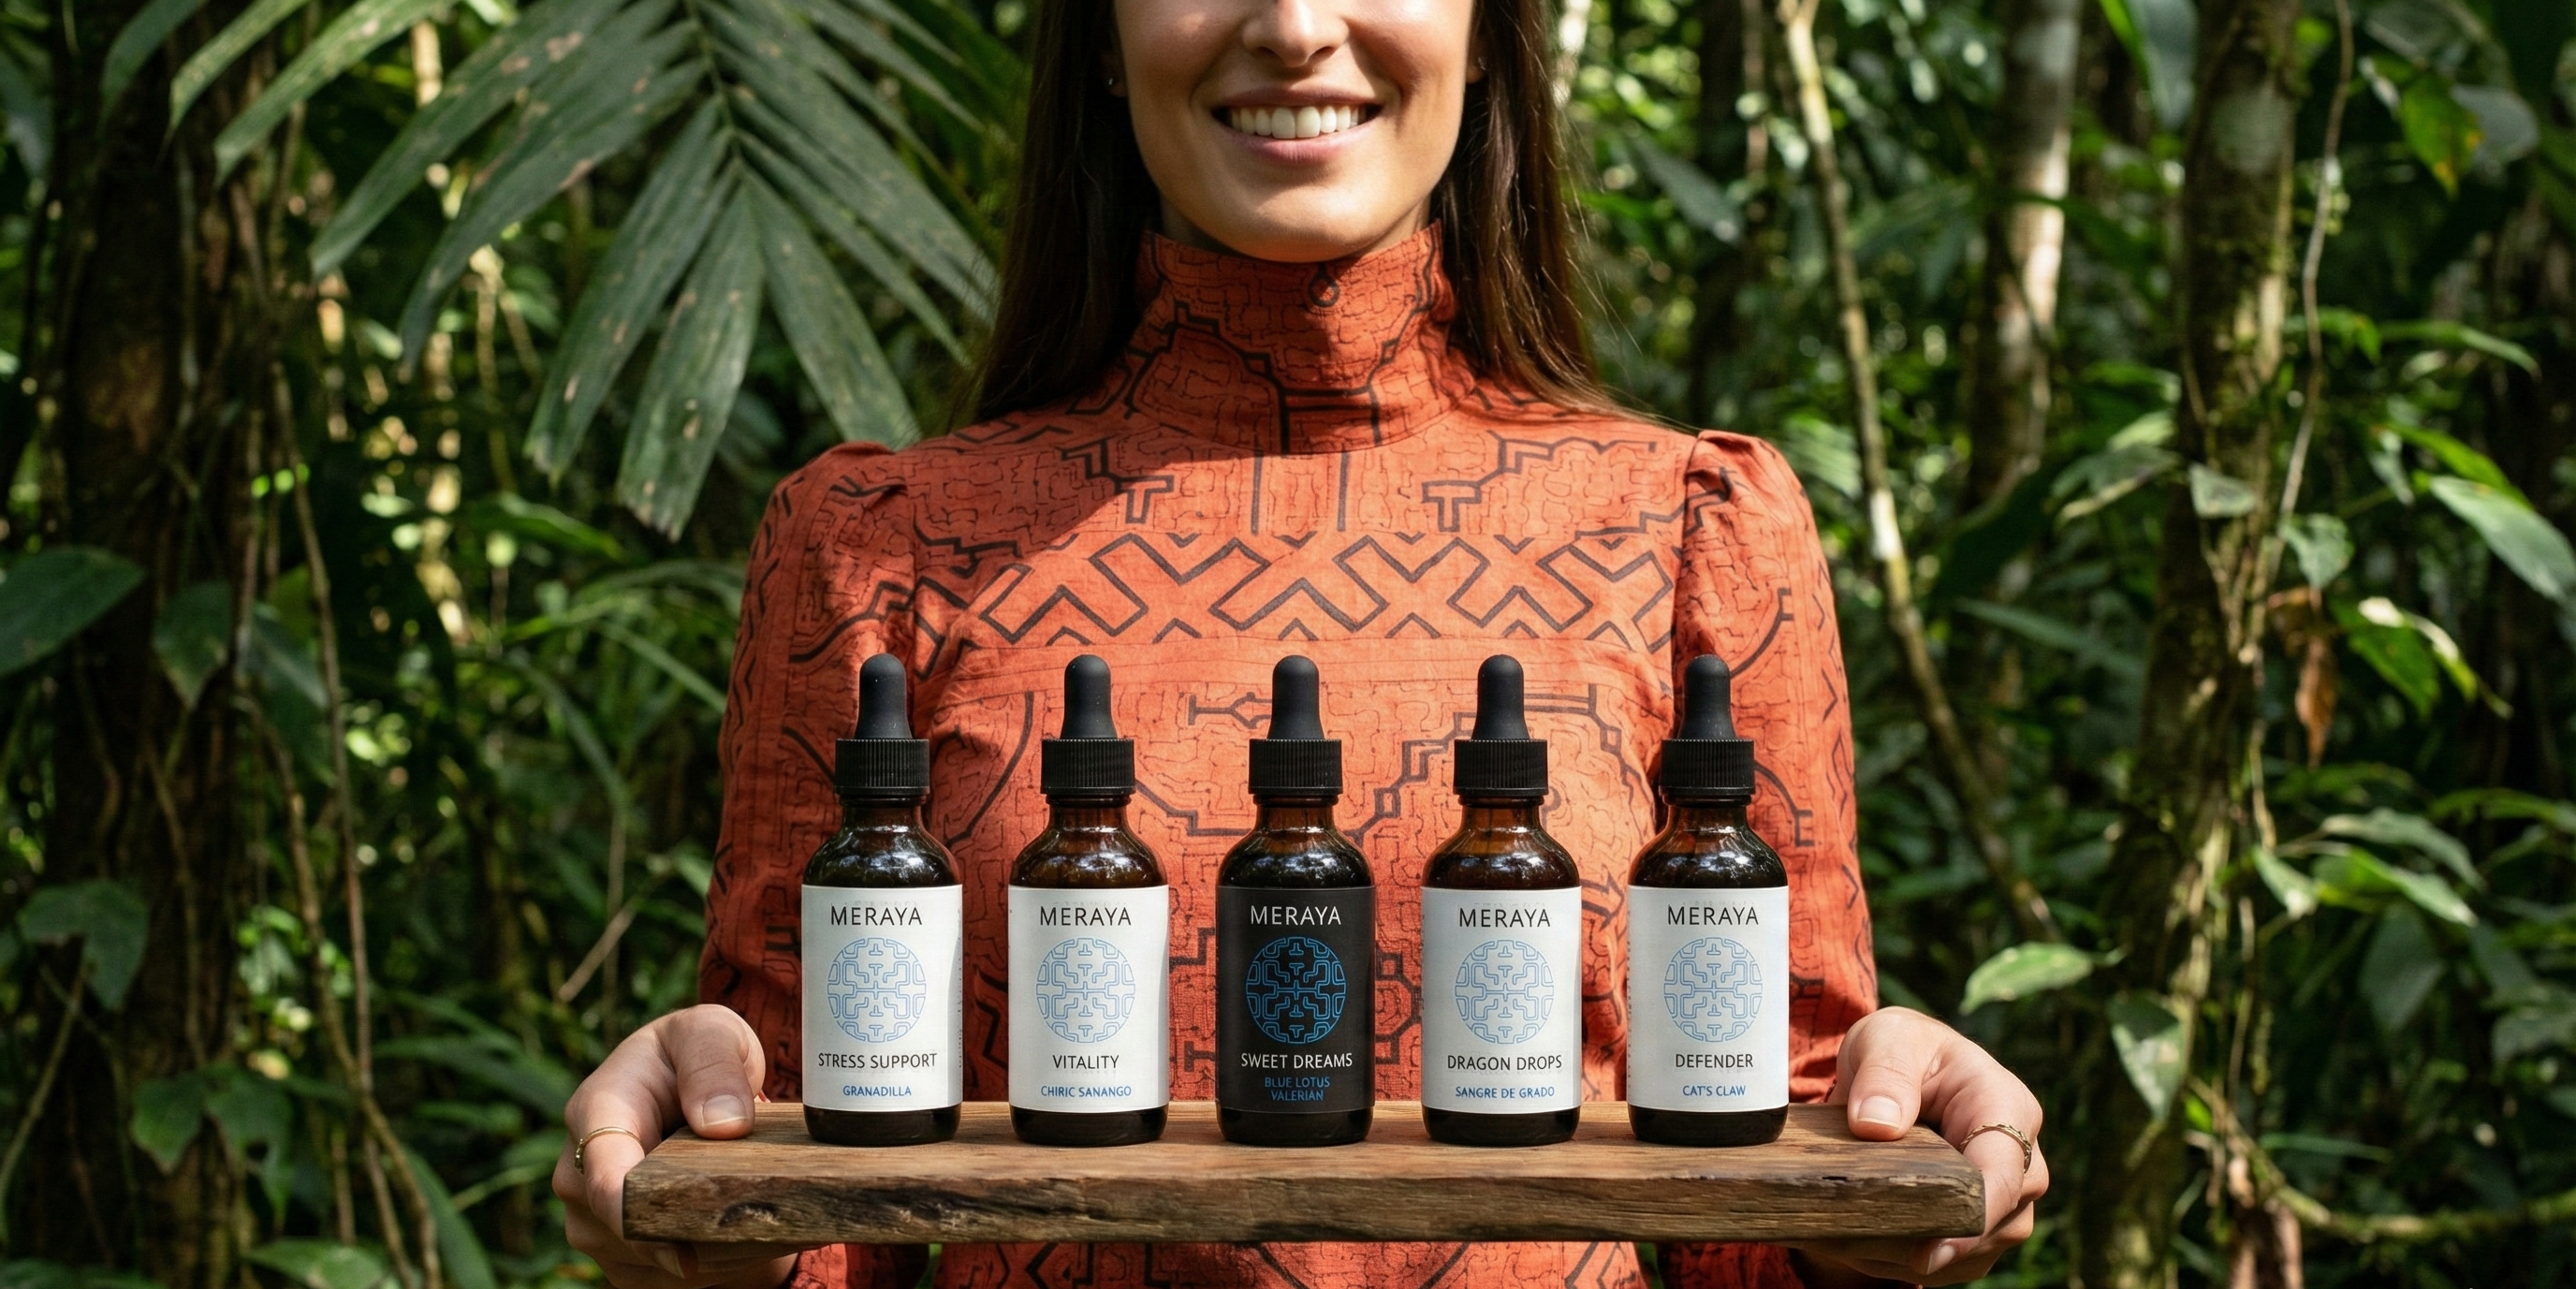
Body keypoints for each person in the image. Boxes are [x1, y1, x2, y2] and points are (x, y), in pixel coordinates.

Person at [551, 0, 2049, 1284]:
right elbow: (816, 1208)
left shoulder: (1690, 530)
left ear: (1489, 28)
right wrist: (695, 1192)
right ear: (1101, 35)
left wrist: (1897, 1169)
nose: (1290, 25)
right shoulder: (878, 548)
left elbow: (1763, 1217)